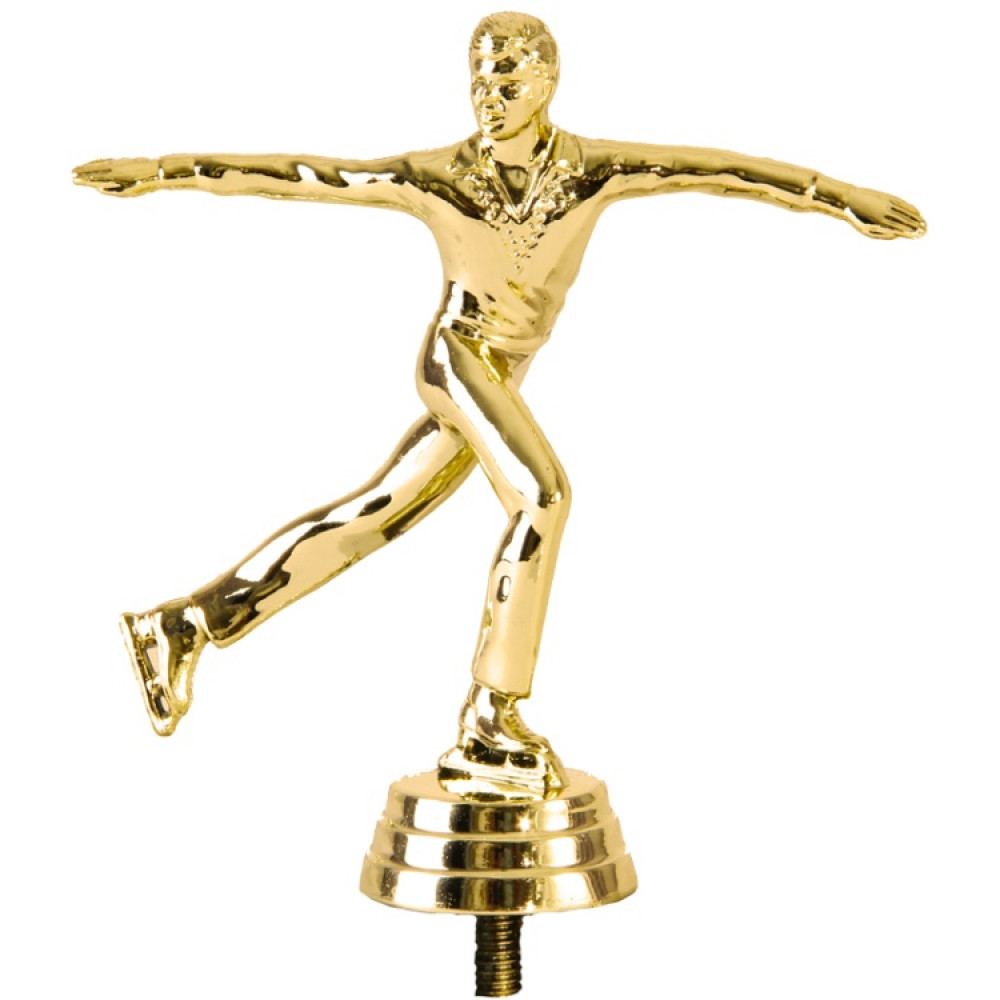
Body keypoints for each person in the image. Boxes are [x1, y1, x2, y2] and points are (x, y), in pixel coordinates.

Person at [74, 11, 924, 798]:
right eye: (479, 79)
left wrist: (841, 198)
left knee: (370, 516)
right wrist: (157, 173)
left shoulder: (592, 170)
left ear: (548, 82)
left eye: (508, 79)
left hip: (502, 374)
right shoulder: (440, 176)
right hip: (456, 360)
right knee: (543, 498)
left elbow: (722, 171)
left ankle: (185, 624)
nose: (490, 95)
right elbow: (304, 176)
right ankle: (490, 718)